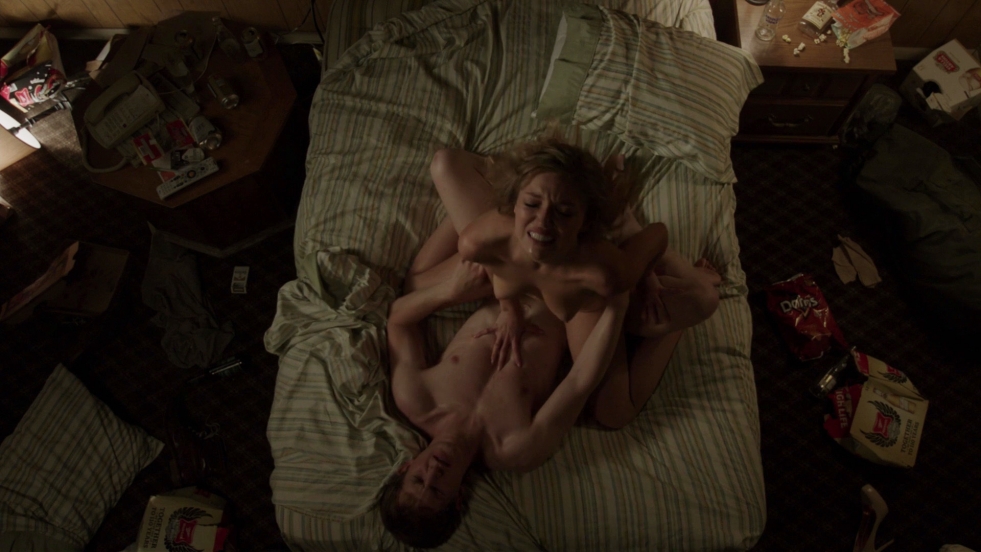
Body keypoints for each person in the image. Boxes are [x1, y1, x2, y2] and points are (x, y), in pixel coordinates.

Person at [418, 132, 721, 428]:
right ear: (513, 204)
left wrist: (647, 275)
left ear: (584, 222)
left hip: (581, 300)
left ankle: (621, 221)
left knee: (615, 413)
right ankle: (572, 192)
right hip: (525, 251)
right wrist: (510, 311)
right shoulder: (477, 242)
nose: (543, 223)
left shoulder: (603, 274)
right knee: (416, 281)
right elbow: (498, 272)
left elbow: (658, 234)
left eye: (563, 212)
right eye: (531, 204)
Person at [380, 254, 630, 548]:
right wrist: (619, 303)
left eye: (419, 480)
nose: (434, 471)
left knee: (423, 277)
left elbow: (398, 320)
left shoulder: (417, 400)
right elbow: (579, 381)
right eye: (437, 490)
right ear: (458, 498)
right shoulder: (516, 448)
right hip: (566, 301)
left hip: (507, 273)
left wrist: (451, 291)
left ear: (405, 468)